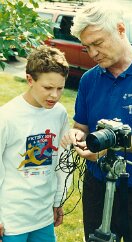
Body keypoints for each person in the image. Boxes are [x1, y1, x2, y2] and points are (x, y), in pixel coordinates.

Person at [60, 1, 132, 242]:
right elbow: (82, 127)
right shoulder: (88, 80)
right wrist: (77, 137)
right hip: (98, 185)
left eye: (98, 43)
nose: (93, 53)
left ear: (120, 29)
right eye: (87, 47)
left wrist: (114, 145)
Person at [0, 45, 70, 242]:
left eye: (60, 88)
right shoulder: (6, 117)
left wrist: (58, 200)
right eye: (48, 88)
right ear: (30, 80)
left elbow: (61, 161)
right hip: (12, 220)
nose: (54, 95)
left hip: (43, 216)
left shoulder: (59, 113)